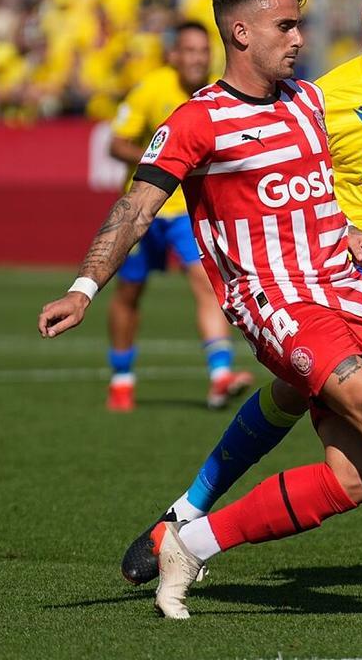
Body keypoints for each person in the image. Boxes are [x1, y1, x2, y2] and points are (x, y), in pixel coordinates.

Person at [39, 0, 362, 620]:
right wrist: (83, 287)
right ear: (241, 31)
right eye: (286, 25)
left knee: (355, 480)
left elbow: (312, 196)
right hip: (278, 305)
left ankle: (191, 540)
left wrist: (347, 229)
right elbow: (136, 209)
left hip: (343, 294)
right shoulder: (198, 120)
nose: (299, 38)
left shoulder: (305, 103)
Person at [105, 21, 253, 411]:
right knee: (128, 294)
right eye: (188, 51)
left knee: (205, 284)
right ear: (174, 56)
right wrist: (163, 163)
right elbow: (116, 143)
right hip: (146, 208)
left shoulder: (217, 93)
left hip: (188, 211)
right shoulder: (151, 89)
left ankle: (220, 374)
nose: (196, 59)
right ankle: (121, 379)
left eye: (202, 52)